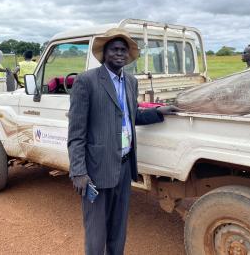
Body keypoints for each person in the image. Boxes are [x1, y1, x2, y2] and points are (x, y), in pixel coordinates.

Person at [68, 28, 179, 255]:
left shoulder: (130, 81)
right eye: (114, 49)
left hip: (125, 166)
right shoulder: (86, 81)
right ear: (104, 53)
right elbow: (76, 133)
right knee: (96, 232)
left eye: (123, 50)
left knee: (119, 228)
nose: (120, 54)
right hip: (97, 169)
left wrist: (159, 112)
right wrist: (78, 171)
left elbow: (132, 115)